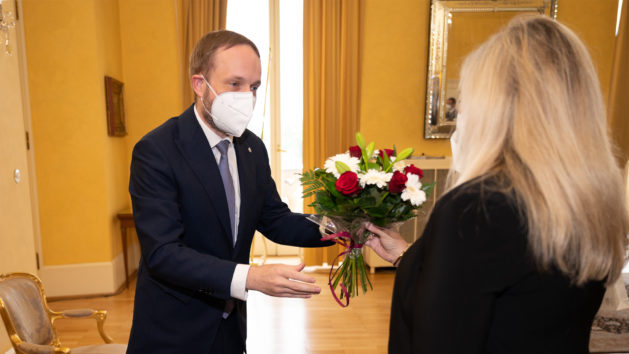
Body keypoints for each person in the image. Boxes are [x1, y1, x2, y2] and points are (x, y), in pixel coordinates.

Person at [365, 15, 629, 354]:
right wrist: (410, 257)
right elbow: (513, 292)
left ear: (497, 107)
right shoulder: (591, 200)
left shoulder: (478, 207)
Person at [127, 30, 329, 353]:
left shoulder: (253, 149)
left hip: (231, 330)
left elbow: (276, 219)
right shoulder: (157, 150)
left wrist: (341, 228)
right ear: (199, 84)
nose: (246, 97)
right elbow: (163, 253)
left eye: (254, 87)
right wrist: (251, 278)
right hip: (173, 332)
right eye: (234, 84)